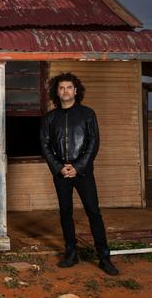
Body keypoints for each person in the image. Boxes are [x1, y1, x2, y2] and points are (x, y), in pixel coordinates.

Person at [40, 72, 119, 275]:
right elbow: (45, 145)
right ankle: (71, 253)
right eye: (61, 87)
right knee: (65, 213)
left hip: (83, 173)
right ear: (56, 92)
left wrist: (78, 166)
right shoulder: (50, 118)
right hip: (61, 174)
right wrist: (59, 167)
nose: (65, 91)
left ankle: (104, 257)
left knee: (93, 212)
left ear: (76, 91)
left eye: (69, 87)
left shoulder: (87, 114)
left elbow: (94, 143)